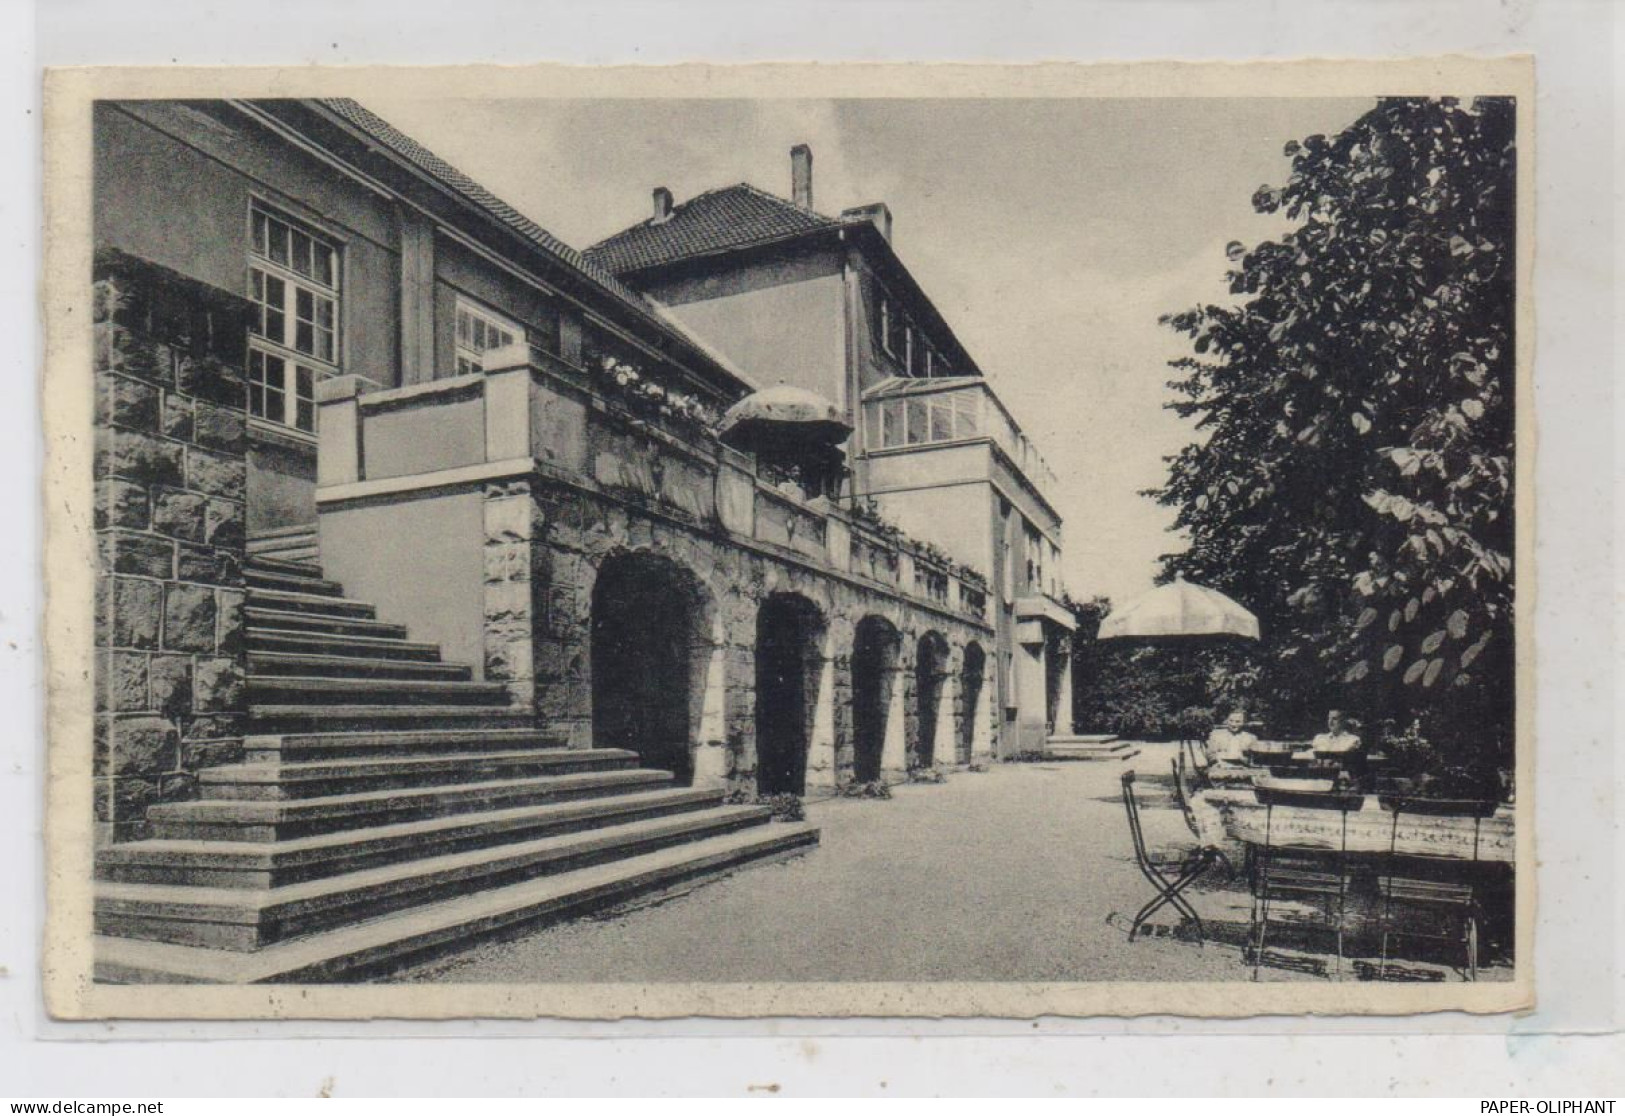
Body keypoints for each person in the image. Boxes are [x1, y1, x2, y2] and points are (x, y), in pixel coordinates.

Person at [1295, 710, 1362, 761]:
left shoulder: (1353, 740)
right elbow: (1309, 754)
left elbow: (1338, 756)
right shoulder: (1320, 738)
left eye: (1334, 719)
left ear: (1343, 721)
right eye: (1329, 718)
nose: (1330, 722)